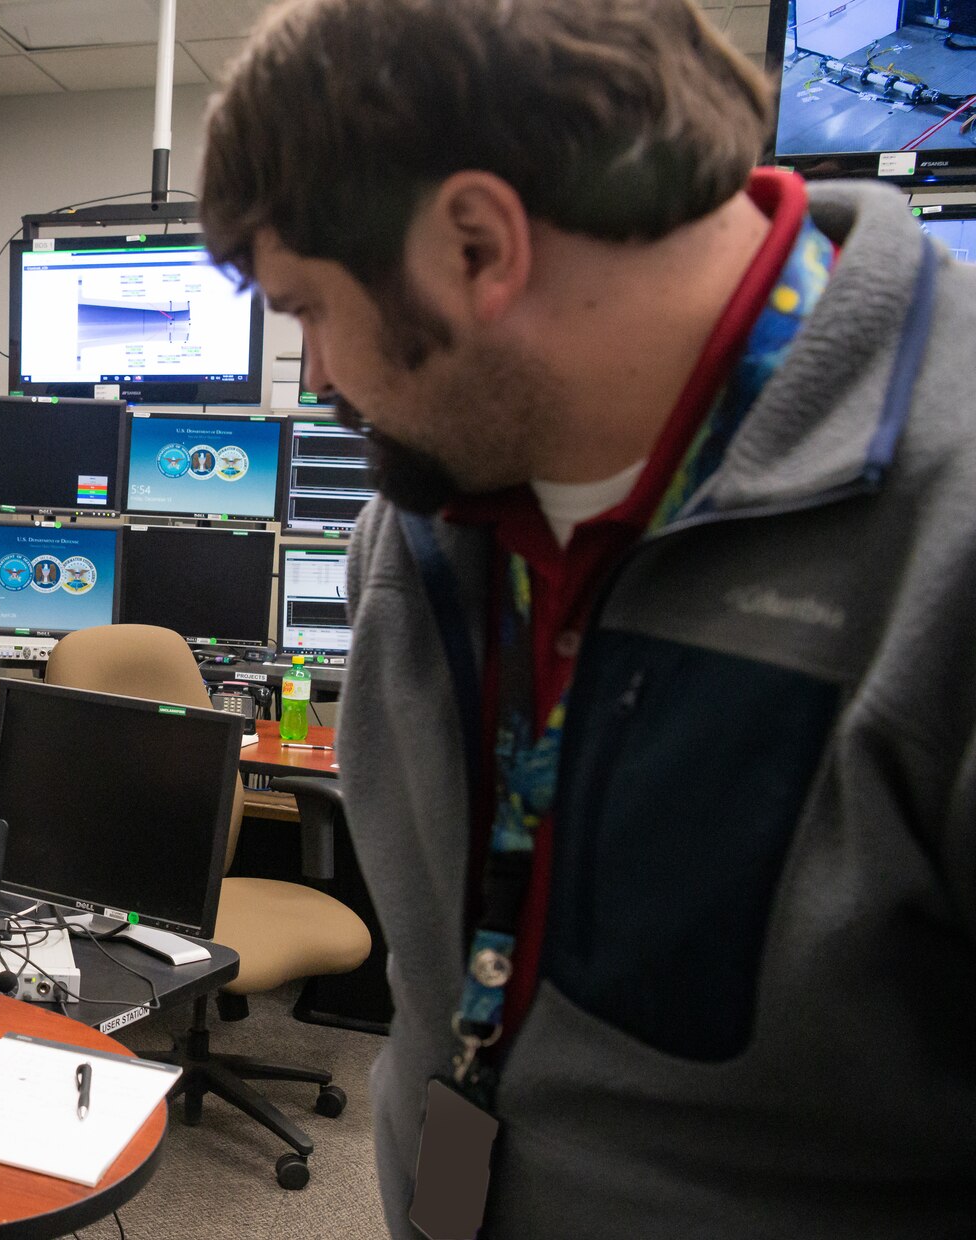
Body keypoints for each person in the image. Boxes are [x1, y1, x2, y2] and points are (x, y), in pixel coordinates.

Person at [201, 1, 976, 1237]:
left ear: (474, 244)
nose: (321, 378)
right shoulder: (415, 518)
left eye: (304, 308)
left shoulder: (945, 539)